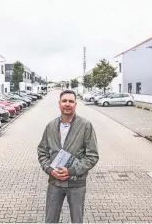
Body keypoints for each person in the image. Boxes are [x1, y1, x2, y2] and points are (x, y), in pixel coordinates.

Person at [37, 89, 99, 223]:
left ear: (75, 105)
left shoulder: (85, 126)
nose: (67, 104)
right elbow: (42, 151)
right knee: (50, 220)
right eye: (64, 101)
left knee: (77, 220)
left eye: (71, 101)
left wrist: (71, 171)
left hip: (76, 183)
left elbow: (92, 156)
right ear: (59, 104)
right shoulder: (51, 126)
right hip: (55, 182)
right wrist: (49, 170)